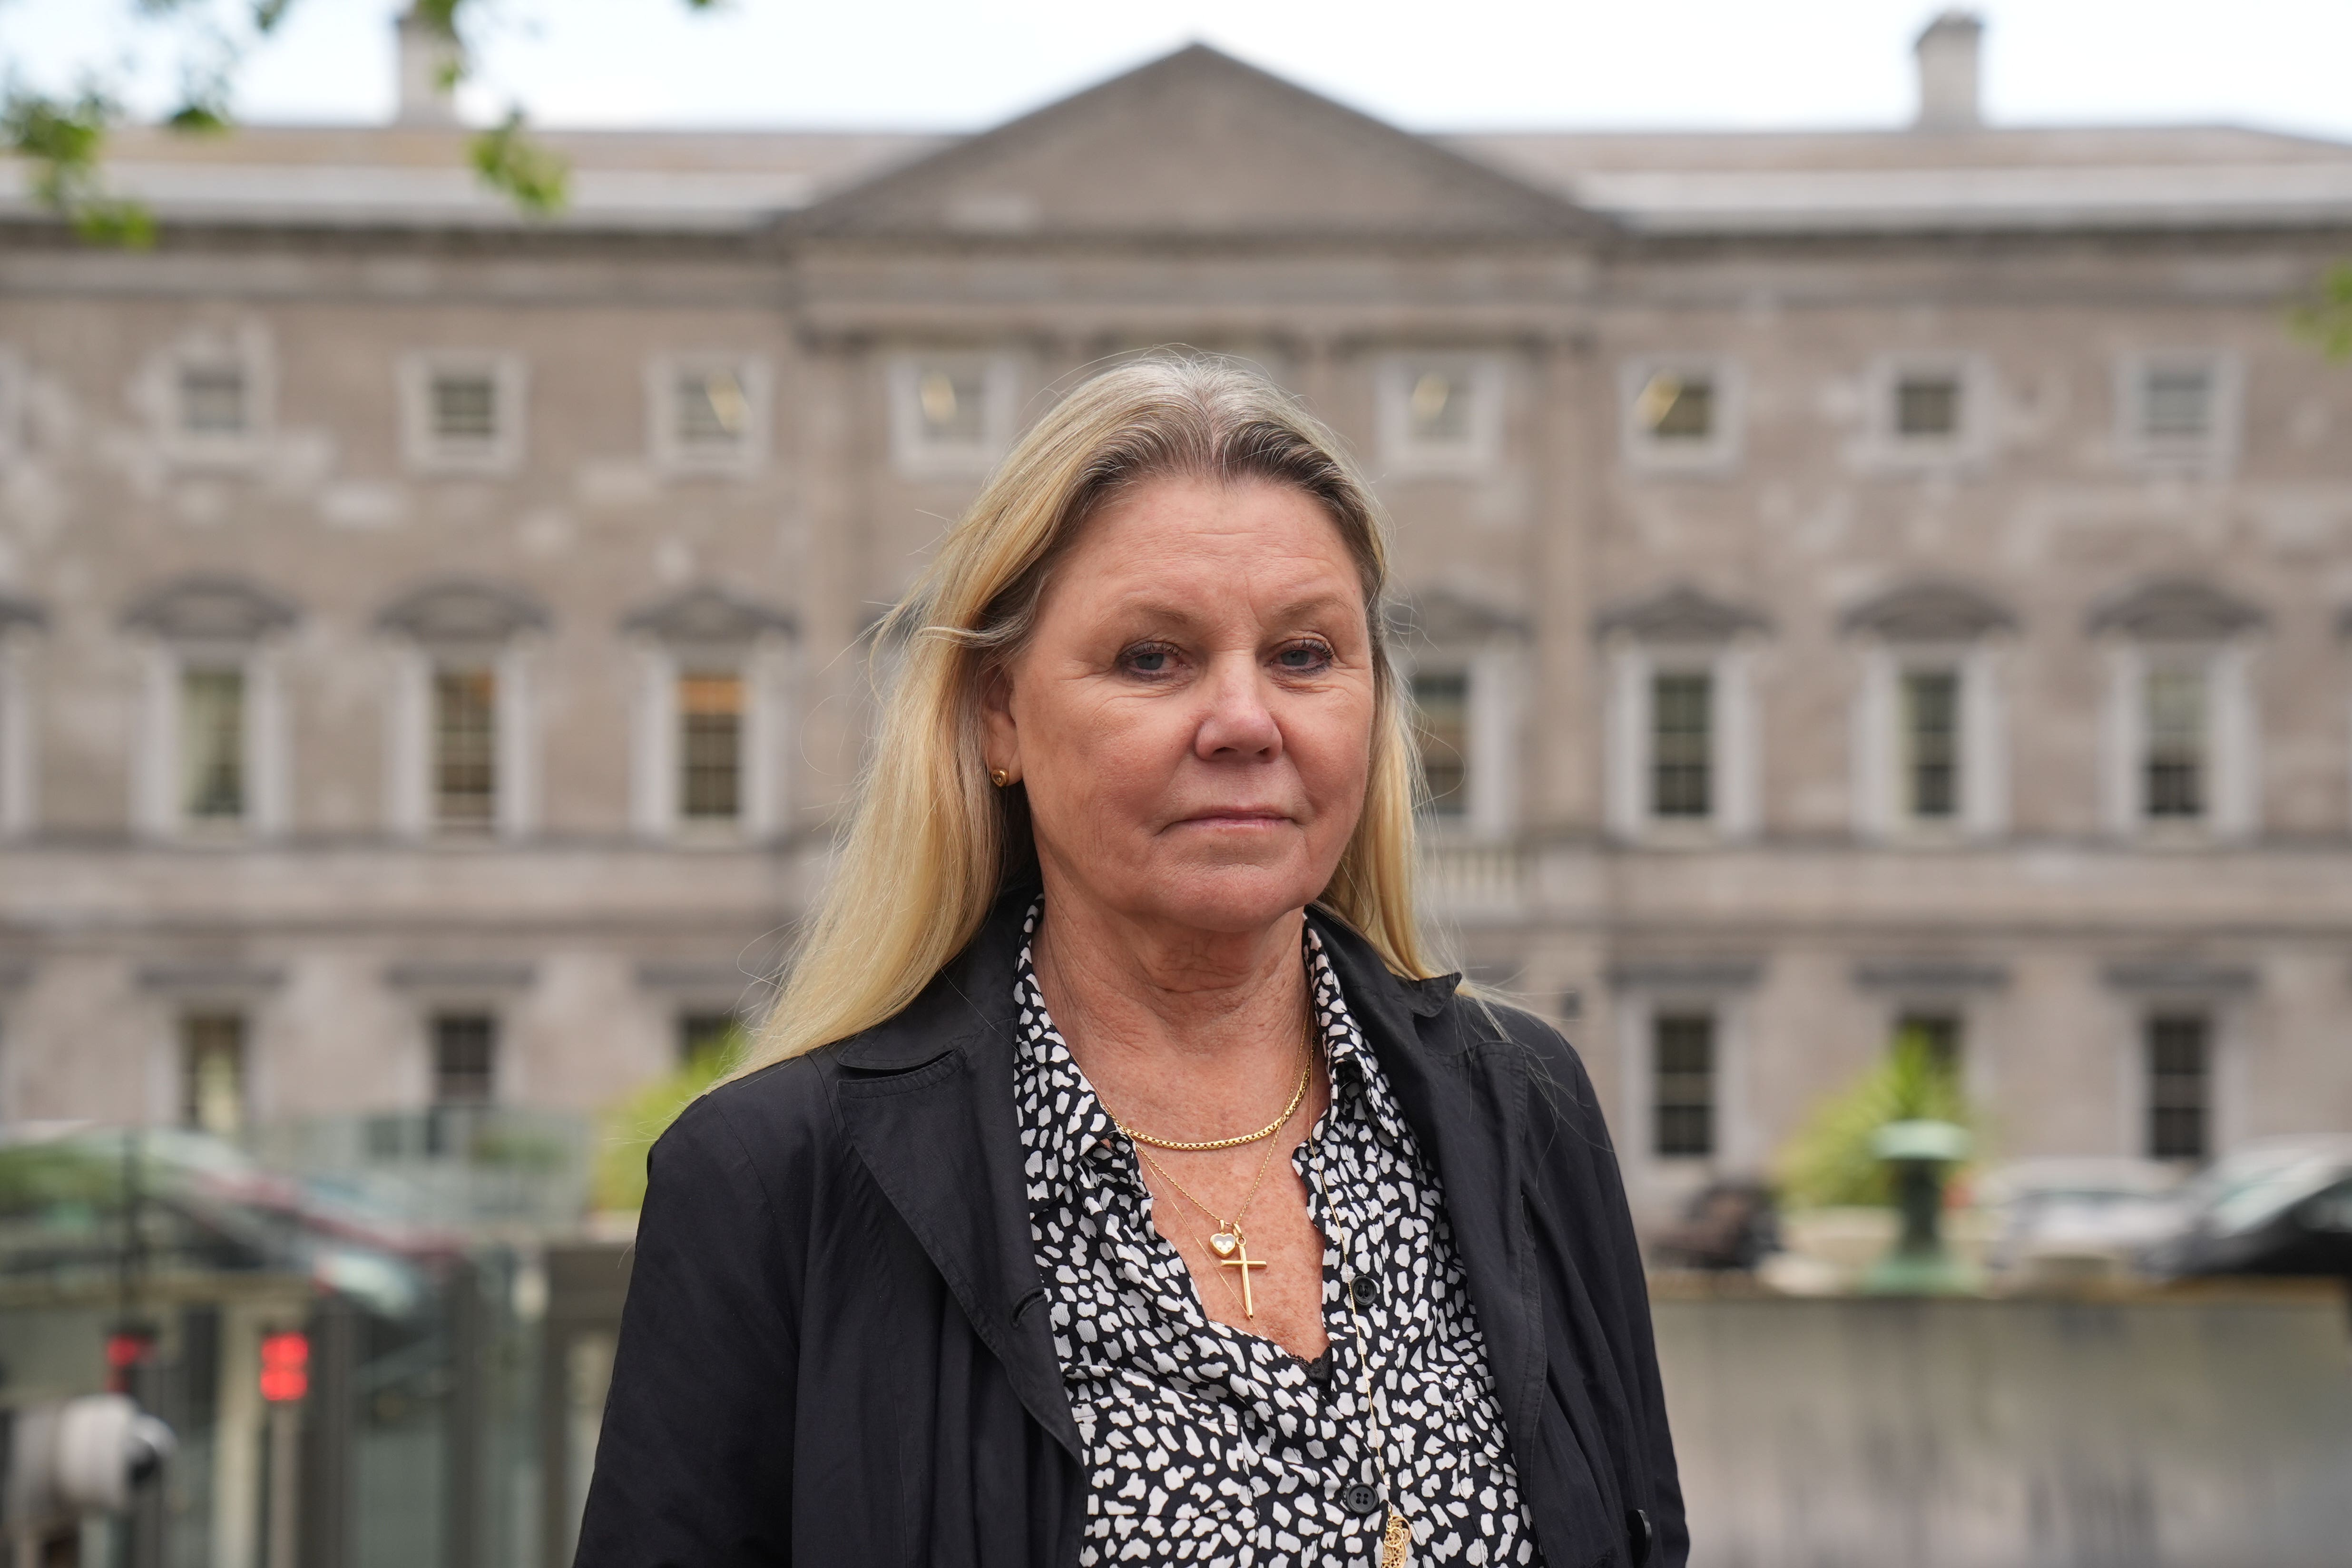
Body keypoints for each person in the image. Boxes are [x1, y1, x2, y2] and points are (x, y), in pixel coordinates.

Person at [573, 357, 1685, 1568]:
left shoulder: (1526, 1106)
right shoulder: (772, 1182)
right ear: (999, 715)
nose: (1246, 720)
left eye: (1305, 655)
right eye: (1153, 658)